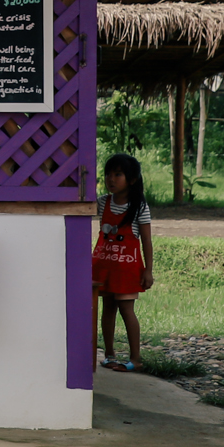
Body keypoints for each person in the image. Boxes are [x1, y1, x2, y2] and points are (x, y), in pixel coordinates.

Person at [94, 153, 154, 372]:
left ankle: (135, 358)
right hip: (104, 266)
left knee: (126, 309)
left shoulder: (139, 207)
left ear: (132, 179)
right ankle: (109, 355)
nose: (111, 179)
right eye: (108, 174)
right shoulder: (103, 202)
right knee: (107, 308)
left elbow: (146, 240)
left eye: (117, 174)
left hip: (127, 269)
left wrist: (148, 270)